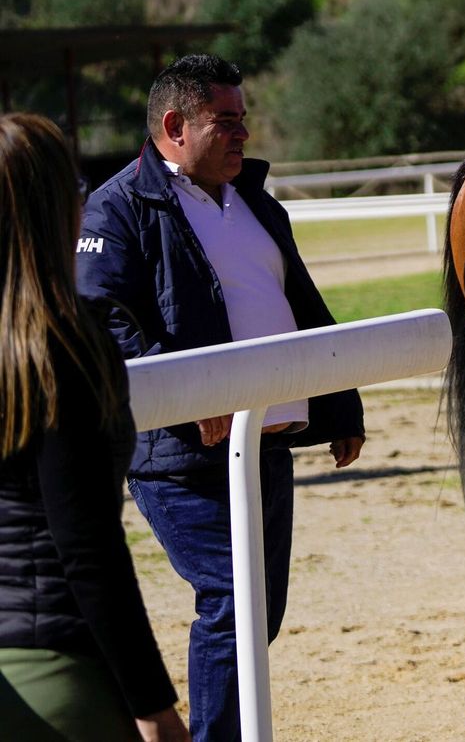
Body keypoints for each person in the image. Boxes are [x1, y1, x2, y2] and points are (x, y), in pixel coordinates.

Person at [76, 55, 366, 742]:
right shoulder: (116, 207)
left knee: (259, 611)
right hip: (179, 455)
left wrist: (340, 401)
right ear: (175, 125)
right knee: (235, 600)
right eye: (226, 121)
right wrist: (185, 393)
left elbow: (300, 303)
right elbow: (100, 315)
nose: (242, 135)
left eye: (244, 120)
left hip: (266, 443)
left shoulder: (255, 199)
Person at [0, 113, 189, 742]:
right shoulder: (61, 342)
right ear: (58, 210)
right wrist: (154, 703)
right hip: (51, 662)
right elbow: (87, 547)